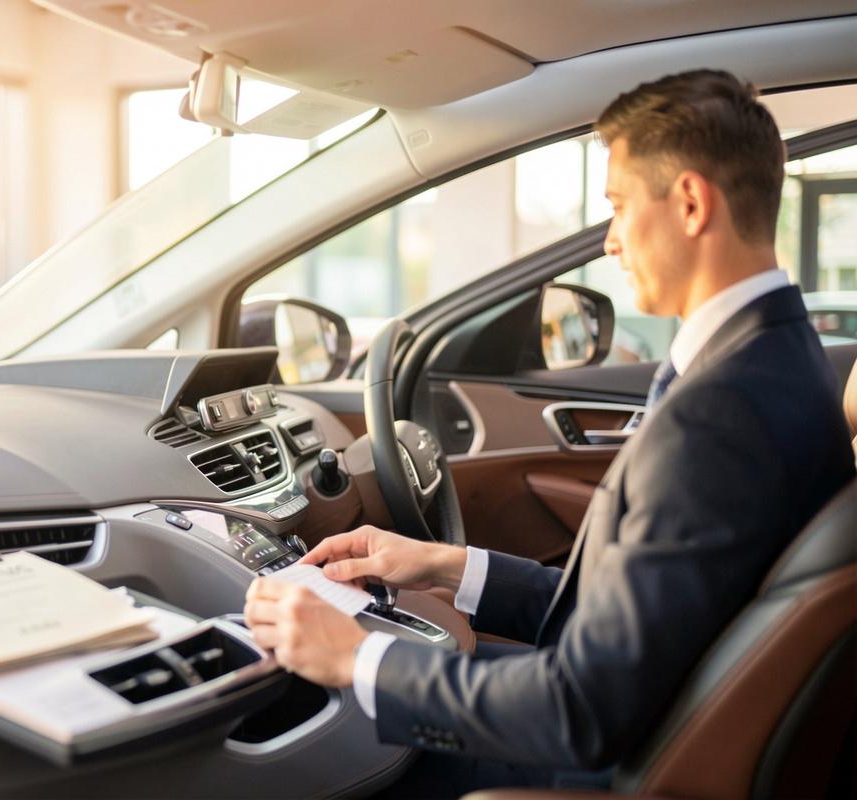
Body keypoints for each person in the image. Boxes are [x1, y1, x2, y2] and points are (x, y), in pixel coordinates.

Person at [243, 69, 857, 794]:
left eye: (621, 207)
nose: (611, 241)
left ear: (690, 203)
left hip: (603, 762)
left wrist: (355, 658)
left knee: (312, 734)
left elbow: (582, 710)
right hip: (643, 716)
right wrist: (444, 565)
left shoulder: (720, 417)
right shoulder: (781, 360)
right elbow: (628, 617)